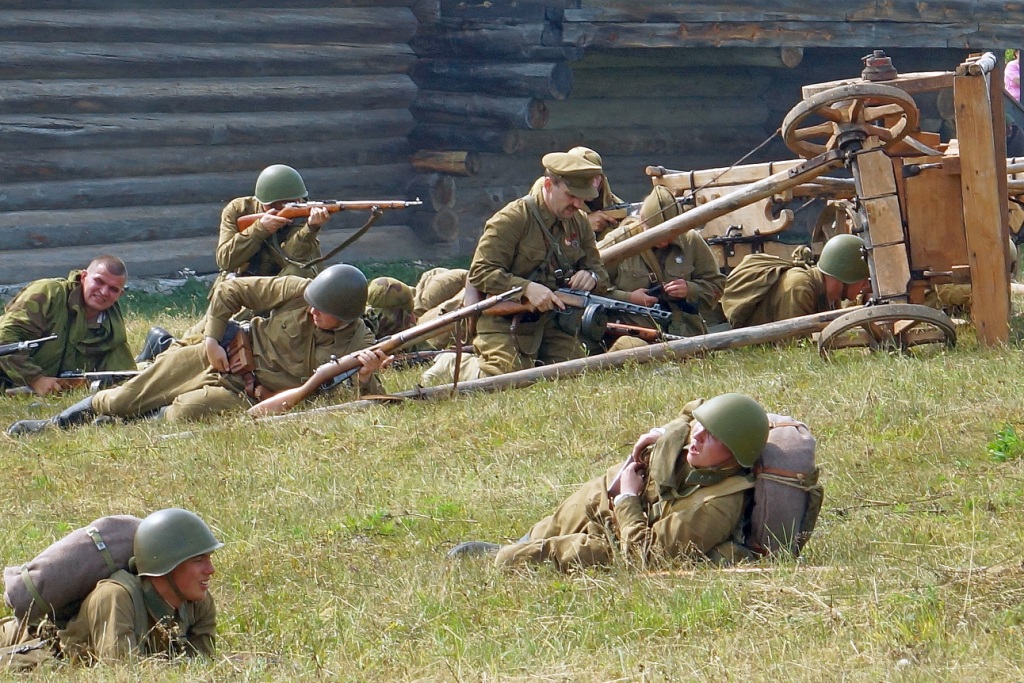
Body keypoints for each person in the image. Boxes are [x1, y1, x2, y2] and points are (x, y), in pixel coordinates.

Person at [7, 264, 388, 434]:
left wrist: (368, 376)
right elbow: (230, 290)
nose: (312, 311)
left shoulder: (360, 342)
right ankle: (55, 425)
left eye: (323, 312)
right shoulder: (297, 290)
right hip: (222, 352)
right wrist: (210, 337)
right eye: (313, 303)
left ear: (347, 316)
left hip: (247, 393)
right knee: (127, 396)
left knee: (180, 415)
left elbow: (368, 401)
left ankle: (120, 424)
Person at [449, 393, 772, 571]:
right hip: (630, 507)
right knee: (589, 496)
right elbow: (694, 409)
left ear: (735, 452)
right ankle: (525, 541)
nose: (696, 437)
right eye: (701, 427)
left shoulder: (718, 505)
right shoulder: (703, 452)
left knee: (577, 552)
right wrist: (665, 432)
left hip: (632, 540)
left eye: (711, 435)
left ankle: (509, 557)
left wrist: (626, 499)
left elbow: (646, 558)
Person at [422, 152, 609, 385]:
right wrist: (526, 288)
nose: (577, 204)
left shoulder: (578, 222)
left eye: (582, 198)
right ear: (549, 185)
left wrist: (590, 276)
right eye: (571, 195)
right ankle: (453, 364)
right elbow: (480, 272)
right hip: (502, 318)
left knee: (574, 375)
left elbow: (600, 272)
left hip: (552, 321)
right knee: (504, 379)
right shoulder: (513, 219)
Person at [0, 508, 221, 665]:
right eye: (198, 560)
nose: (210, 570)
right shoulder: (117, 596)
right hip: (33, 643)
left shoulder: (198, 603)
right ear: (166, 565)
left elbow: (202, 664)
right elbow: (121, 669)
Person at [601, 185, 725, 348]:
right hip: (632, 336)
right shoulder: (618, 243)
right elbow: (591, 288)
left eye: (671, 233)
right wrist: (629, 298)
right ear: (642, 221)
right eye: (656, 234)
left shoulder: (690, 241)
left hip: (684, 336)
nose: (663, 240)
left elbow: (716, 285)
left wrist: (690, 289)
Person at [0, 255, 135, 395]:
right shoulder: (50, 293)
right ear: (83, 277)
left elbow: (121, 371)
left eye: (113, 289)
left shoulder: (111, 322)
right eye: (99, 281)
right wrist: (36, 379)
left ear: (120, 294)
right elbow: (5, 336)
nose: (104, 292)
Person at [719, 233, 870, 328]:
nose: (866, 286)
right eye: (863, 280)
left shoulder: (827, 293)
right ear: (845, 276)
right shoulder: (800, 288)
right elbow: (792, 347)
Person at [530, 146, 624, 236]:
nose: (594, 184)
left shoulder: (609, 199)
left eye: (596, 178)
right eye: (584, 179)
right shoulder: (547, 189)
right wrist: (585, 224)